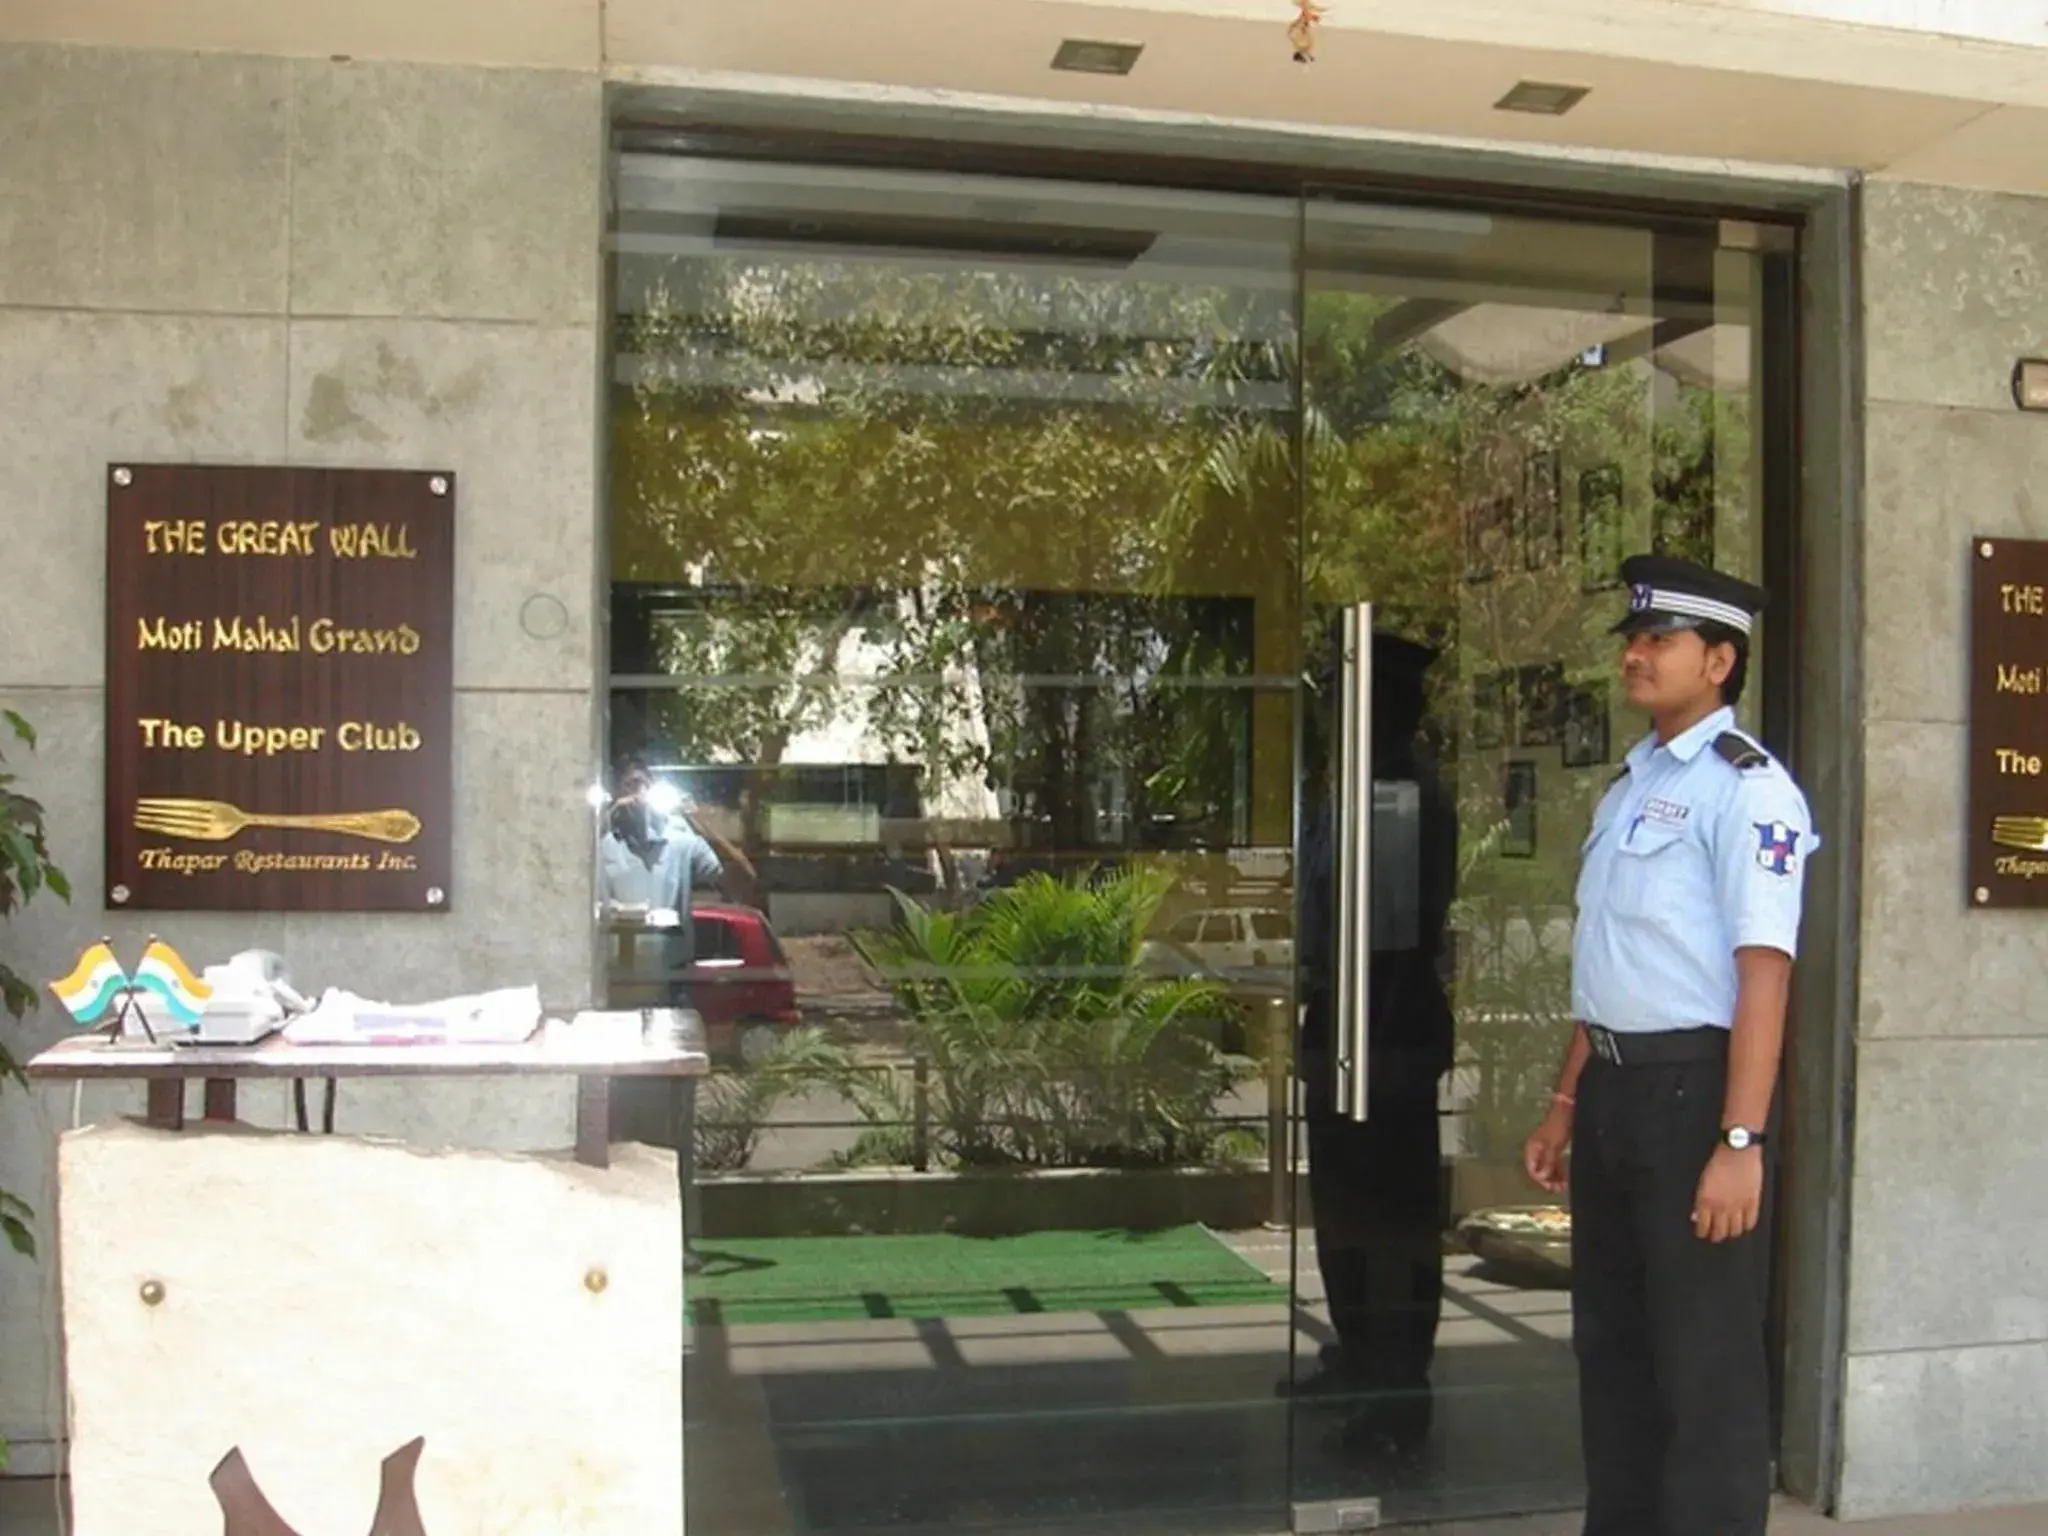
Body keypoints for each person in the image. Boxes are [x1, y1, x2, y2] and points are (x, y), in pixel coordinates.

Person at [1522, 554, 1819, 1536]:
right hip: (1612, 1090)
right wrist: (1567, 1100)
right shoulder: (1628, 785)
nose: (1635, 656)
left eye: (1658, 641)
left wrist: (1740, 1143)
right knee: (1610, 1348)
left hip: (1694, 1094)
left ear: (1719, 661)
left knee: (1702, 1367)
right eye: (1632, 641)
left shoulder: (1748, 794)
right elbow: (1609, 965)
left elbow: (1762, 976)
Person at [1288, 627, 1458, 1463]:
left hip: (1384, 1028)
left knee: (1389, 1221)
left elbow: (1389, 937)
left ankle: (1396, 1395)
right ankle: (1359, 1358)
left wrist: (1364, 1044)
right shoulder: (1350, 784)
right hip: (1346, 1020)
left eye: (1340, 695)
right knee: (1346, 1212)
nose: (1329, 710)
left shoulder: (1398, 789)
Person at [599, 754, 760, 1274]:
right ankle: (618, 1237)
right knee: (616, 1128)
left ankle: (678, 1242)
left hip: (670, 1001)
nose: (639, 798)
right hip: (615, 1008)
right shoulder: (599, 848)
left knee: (675, 1131)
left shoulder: (682, 845)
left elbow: (743, 879)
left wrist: (701, 821)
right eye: (629, 788)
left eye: (646, 787)